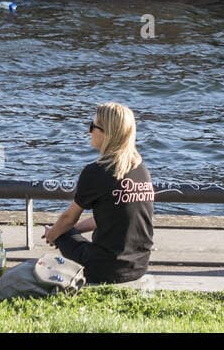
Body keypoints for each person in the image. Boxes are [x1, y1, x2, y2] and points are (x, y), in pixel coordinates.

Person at [43, 103, 154, 286]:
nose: (89, 131)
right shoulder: (141, 169)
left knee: (61, 232)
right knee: (66, 231)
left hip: (105, 270)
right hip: (139, 266)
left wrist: (53, 234)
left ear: (106, 133)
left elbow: (68, 218)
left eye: (92, 126)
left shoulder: (96, 171)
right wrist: (74, 230)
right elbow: (114, 216)